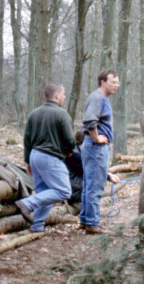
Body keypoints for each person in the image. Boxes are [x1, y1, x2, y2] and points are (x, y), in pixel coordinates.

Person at [15, 84, 75, 233]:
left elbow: (27, 139)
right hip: (50, 157)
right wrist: (69, 151)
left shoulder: (34, 113)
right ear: (56, 96)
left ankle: (36, 226)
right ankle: (27, 203)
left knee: (45, 194)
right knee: (64, 191)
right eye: (63, 94)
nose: (64, 97)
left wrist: (28, 161)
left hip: (35, 156)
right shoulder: (62, 114)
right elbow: (70, 140)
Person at [79, 69, 120, 234]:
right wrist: (96, 138)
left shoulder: (101, 98)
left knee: (89, 184)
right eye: (113, 82)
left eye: (118, 83)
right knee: (95, 185)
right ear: (102, 82)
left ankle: (85, 220)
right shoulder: (98, 97)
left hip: (93, 146)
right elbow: (90, 121)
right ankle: (93, 224)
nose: (116, 85)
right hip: (96, 147)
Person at [65, 130, 119, 209]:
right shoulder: (73, 155)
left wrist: (108, 174)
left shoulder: (79, 153)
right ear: (82, 143)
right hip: (74, 193)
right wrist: (108, 177)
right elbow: (90, 170)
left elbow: (93, 166)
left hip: (78, 190)